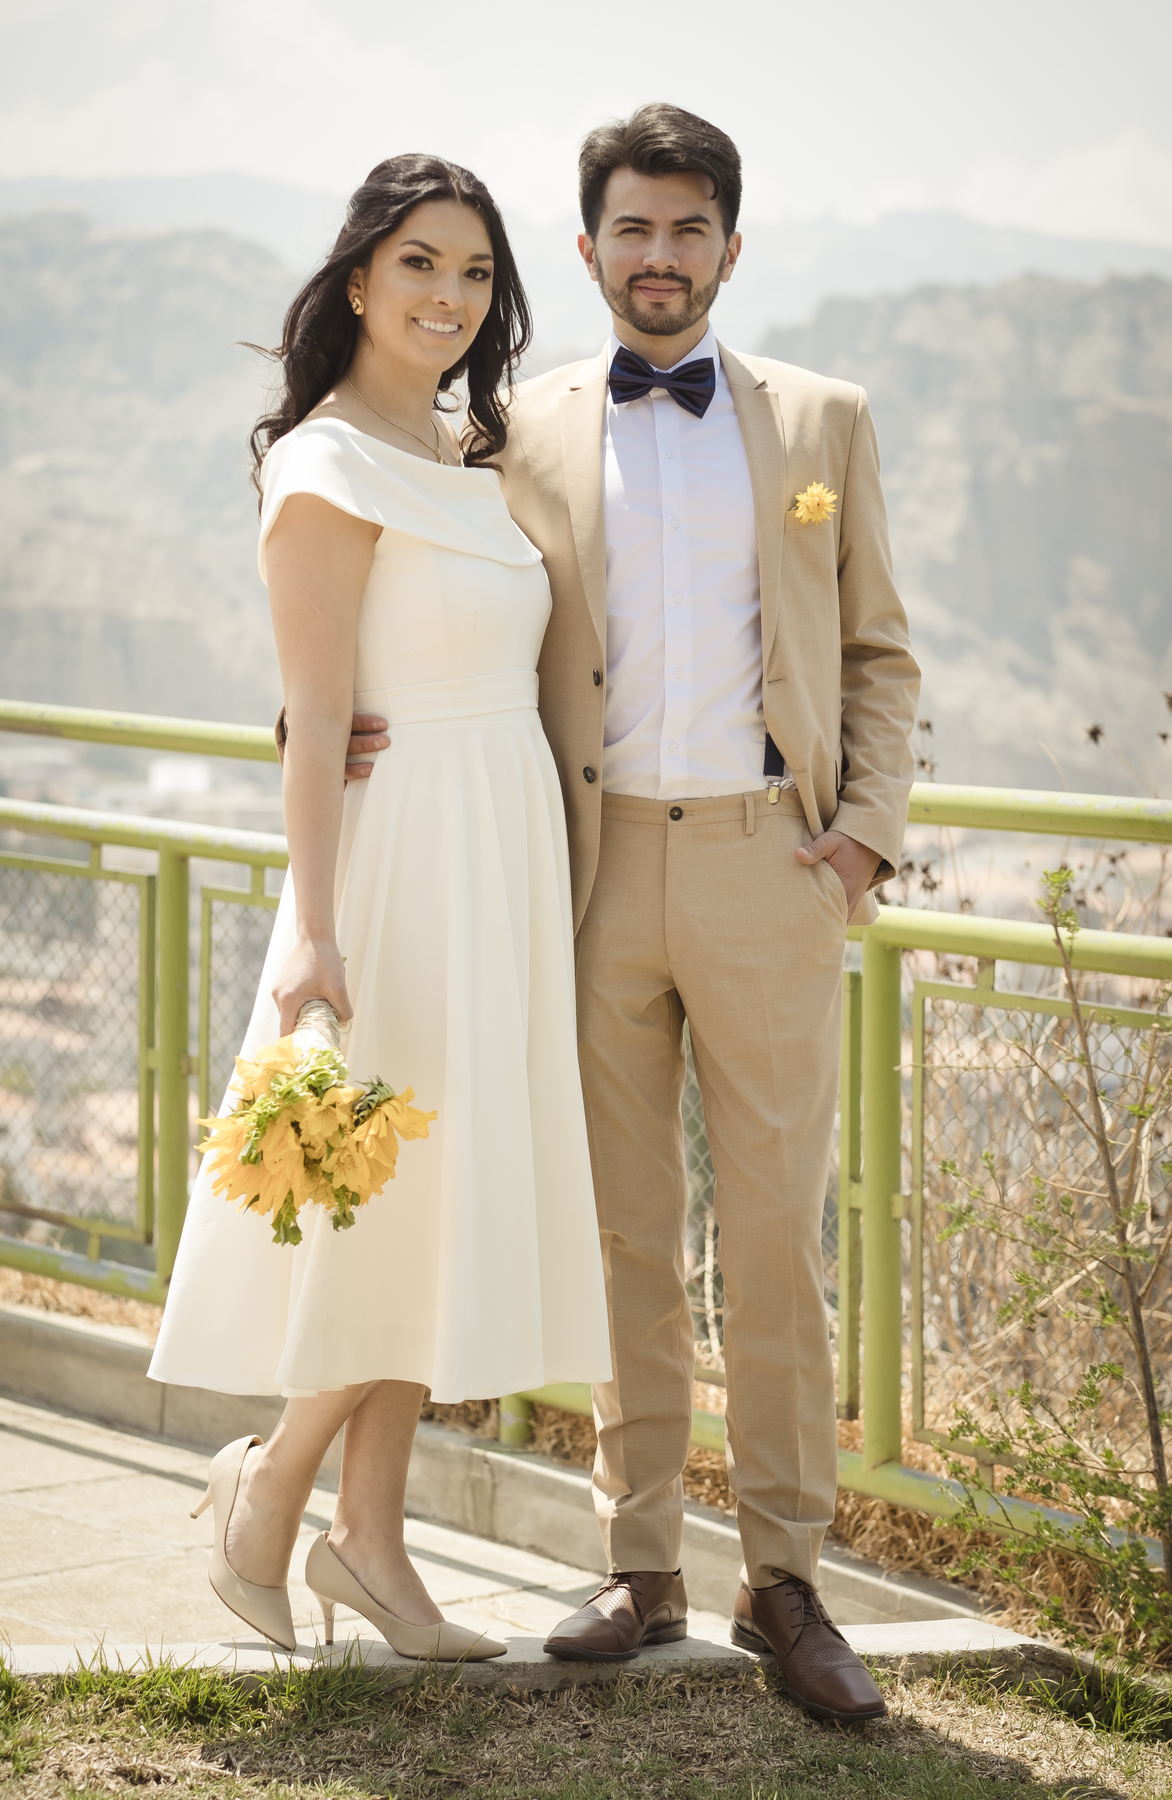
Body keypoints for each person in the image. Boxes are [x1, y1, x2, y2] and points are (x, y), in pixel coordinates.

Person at [336, 105, 920, 1722]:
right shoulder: (509, 425)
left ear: (731, 246)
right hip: (578, 871)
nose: (660, 257)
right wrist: (322, 717)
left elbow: (880, 648)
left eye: (689, 229)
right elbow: (400, 584)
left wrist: (862, 837)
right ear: (588, 252)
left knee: (777, 1244)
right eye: (632, 231)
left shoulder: (825, 422)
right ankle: (639, 1559)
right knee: (622, 1241)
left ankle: (788, 1582)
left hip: (767, 865)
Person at [148, 154, 612, 1660]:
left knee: (446, 1210)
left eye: (476, 273)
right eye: (421, 263)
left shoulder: (467, 459)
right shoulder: (326, 464)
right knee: (387, 1214)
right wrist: (320, 930)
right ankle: (281, 1490)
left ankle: (365, 1539)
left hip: (504, 855)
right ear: (357, 277)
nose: (450, 296)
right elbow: (316, 706)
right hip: (397, 860)